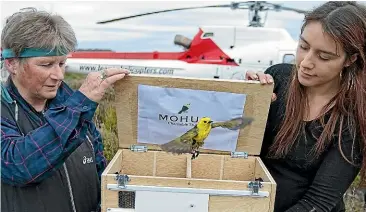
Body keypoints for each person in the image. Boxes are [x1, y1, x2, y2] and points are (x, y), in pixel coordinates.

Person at [1, 8, 129, 212]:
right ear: (12, 64)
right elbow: (19, 165)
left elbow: (99, 168)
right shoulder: (4, 110)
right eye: (46, 64)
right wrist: (79, 105)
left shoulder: (73, 107)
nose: (59, 75)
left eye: (62, 63)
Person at [246, 1, 366, 212]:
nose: (306, 62)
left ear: (350, 60)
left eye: (324, 56)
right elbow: (241, 155)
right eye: (303, 47)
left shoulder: (353, 116)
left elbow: (319, 202)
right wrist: (245, 102)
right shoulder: (278, 78)